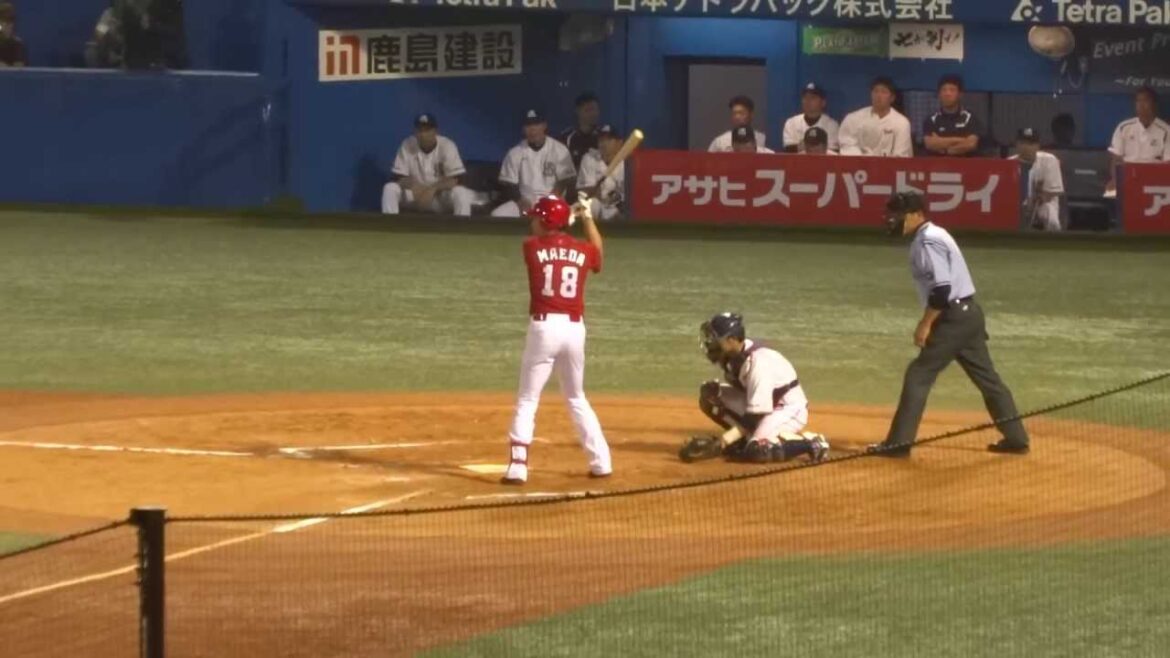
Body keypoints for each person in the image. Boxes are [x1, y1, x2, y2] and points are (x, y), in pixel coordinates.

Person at [869, 192, 1031, 459]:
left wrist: (925, 324)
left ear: (916, 214)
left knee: (919, 374)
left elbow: (942, 289)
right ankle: (1016, 438)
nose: (892, 219)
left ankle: (898, 444)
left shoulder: (929, 240)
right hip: (968, 314)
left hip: (953, 317)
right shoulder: (931, 235)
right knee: (988, 379)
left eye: (898, 215)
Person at [503, 195, 612, 484]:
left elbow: (548, 242)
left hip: (543, 330)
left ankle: (518, 465)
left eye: (536, 217)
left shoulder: (531, 247)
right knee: (576, 397)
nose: (531, 221)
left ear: (545, 222)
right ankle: (601, 462)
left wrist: (569, 218)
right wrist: (586, 217)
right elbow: (597, 254)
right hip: (575, 331)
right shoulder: (581, 250)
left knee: (528, 398)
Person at [678, 313, 830, 464]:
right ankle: (743, 440)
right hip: (764, 405)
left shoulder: (758, 363)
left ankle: (811, 442)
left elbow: (754, 416)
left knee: (757, 450)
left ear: (731, 340)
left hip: (787, 409)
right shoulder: (733, 355)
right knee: (710, 395)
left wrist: (722, 442)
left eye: (715, 340)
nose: (710, 344)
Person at [381, 113, 475, 216]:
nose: (423, 134)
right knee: (390, 188)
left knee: (461, 193)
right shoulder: (407, 144)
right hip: (416, 195)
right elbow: (397, 177)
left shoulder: (447, 145)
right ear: (415, 132)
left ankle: (461, 230)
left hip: (439, 197)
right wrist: (415, 186)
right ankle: (391, 227)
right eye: (420, 130)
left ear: (435, 131)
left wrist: (432, 189)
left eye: (427, 130)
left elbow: (457, 179)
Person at [492, 109, 576, 217]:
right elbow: (509, 184)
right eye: (528, 125)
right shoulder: (515, 152)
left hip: (552, 200)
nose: (532, 129)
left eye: (536, 124)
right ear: (523, 129)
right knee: (497, 214)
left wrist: (552, 198)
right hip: (524, 200)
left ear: (544, 126)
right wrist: (520, 200)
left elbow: (566, 179)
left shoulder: (559, 149)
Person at [1106, 87, 1170, 193]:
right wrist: (1115, 180)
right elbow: (1116, 158)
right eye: (1138, 101)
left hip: (1153, 181)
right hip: (1127, 178)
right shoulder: (1124, 127)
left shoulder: (1166, 130)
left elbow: (1167, 164)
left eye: (1145, 101)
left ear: (1154, 104)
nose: (1141, 105)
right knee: (1110, 193)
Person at [838, 77, 913, 157]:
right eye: (875, 91)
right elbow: (846, 145)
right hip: (858, 166)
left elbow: (900, 155)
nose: (879, 95)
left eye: (884, 92)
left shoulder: (902, 123)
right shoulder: (853, 118)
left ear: (892, 98)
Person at [1010, 127, 1064, 231]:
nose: (1027, 147)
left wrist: (1033, 202)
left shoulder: (1049, 160)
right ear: (1017, 144)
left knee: (1050, 214)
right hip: (1016, 205)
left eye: (1031, 144)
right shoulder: (1009, 163)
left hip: (1041, 204)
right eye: (1023, 143)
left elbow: (1051, 193)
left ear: (1038, 146)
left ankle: (1053, 243)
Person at [921, 74, 981, 157]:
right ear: (939, 95)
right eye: (944, 90)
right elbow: (930, 144)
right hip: (938, 167)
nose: (947, 94)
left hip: (965, 166)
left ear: (960, 94)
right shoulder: (931, 119)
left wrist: (945, 148)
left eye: (952, 90)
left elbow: (971, 144)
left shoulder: (970, 118)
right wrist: (961, 140)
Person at [575, 124, 625, 220]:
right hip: (598, 205)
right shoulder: (589, 158)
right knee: (592, 204)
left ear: (619, 143)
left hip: (618, 207)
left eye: (609, 140)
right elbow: (586, 192)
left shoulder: (627, 162)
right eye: (601, 140)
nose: (604, 143)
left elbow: (629, 195)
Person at [782, 83, 839, 153]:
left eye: (813, 98)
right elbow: (789, 150)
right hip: (798, 162)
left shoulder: (832, 125)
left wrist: (803, 146)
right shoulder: (791, 123)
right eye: (805, 97)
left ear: (823, 103)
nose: (807, 101)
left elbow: (833, 152)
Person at [559, 92, 601, 170]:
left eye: (595, 109)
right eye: (588, 110)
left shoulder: (604, 136)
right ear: (578, 111)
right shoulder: (566, 138)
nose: (593, 114)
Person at [0, 1, 26, 67]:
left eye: (10, 22)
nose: (7, 26)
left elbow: (18, 71)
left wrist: (5, 68)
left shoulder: (17, 45)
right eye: (3, 22)